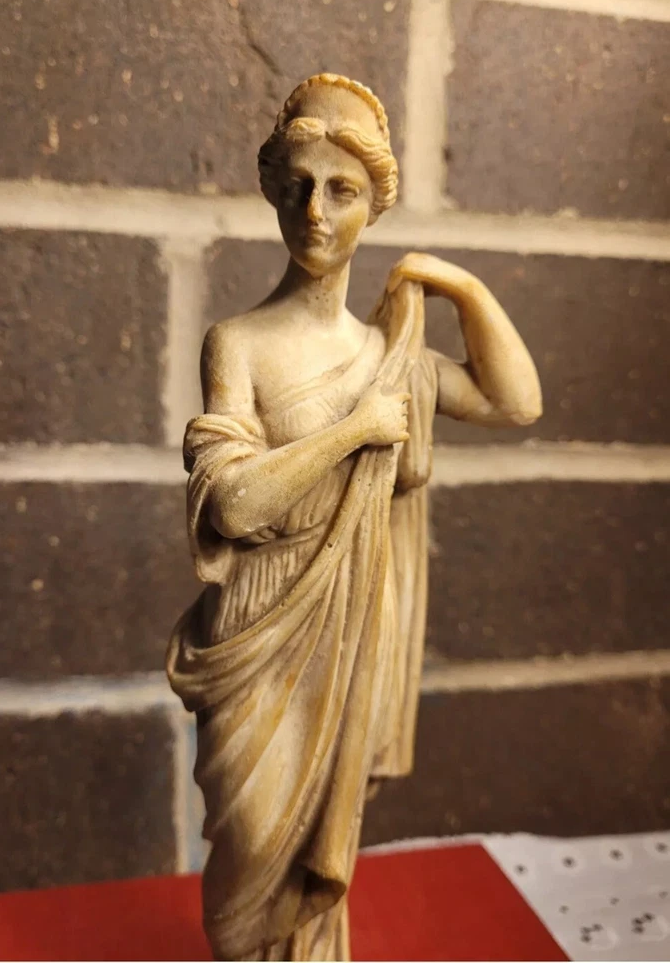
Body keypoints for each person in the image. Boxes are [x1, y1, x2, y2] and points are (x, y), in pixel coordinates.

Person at [167, 73, 542, 962]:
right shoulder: (239, 343)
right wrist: (354, 432)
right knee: (251, 842)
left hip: (350, 626)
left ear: (373, 206)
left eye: (342, 191)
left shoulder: (390, 355)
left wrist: (457, 284)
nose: (316, 211)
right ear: (271, 191)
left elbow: (515, 401)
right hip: (260, 621)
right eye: (298, 186)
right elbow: (232, 502)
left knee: (314, 853)